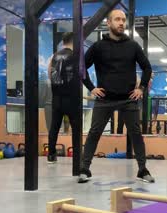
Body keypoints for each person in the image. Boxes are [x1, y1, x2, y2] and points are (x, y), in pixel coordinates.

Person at [80, 9, 154, 183]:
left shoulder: (133, 45)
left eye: (123, 20)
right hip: (104, 99)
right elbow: (81, 68)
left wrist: (141, 88)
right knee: (94, 133)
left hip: (128, 99)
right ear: (109, 23)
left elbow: (147, 67)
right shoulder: (98, 46)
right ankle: (84, 169)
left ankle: (142, 170)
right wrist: (91, 88)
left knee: (136, 133)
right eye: (117, 20)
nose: (121, 23)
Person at [46, 32, 81, 164]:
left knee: (54, 127)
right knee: (75, 128)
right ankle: (77, 156)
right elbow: (80, 75)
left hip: (57, 97)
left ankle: (51, 155)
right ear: (74, 41)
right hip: (71, 97)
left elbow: (50, 74)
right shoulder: (76, 56)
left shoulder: (53, 56)